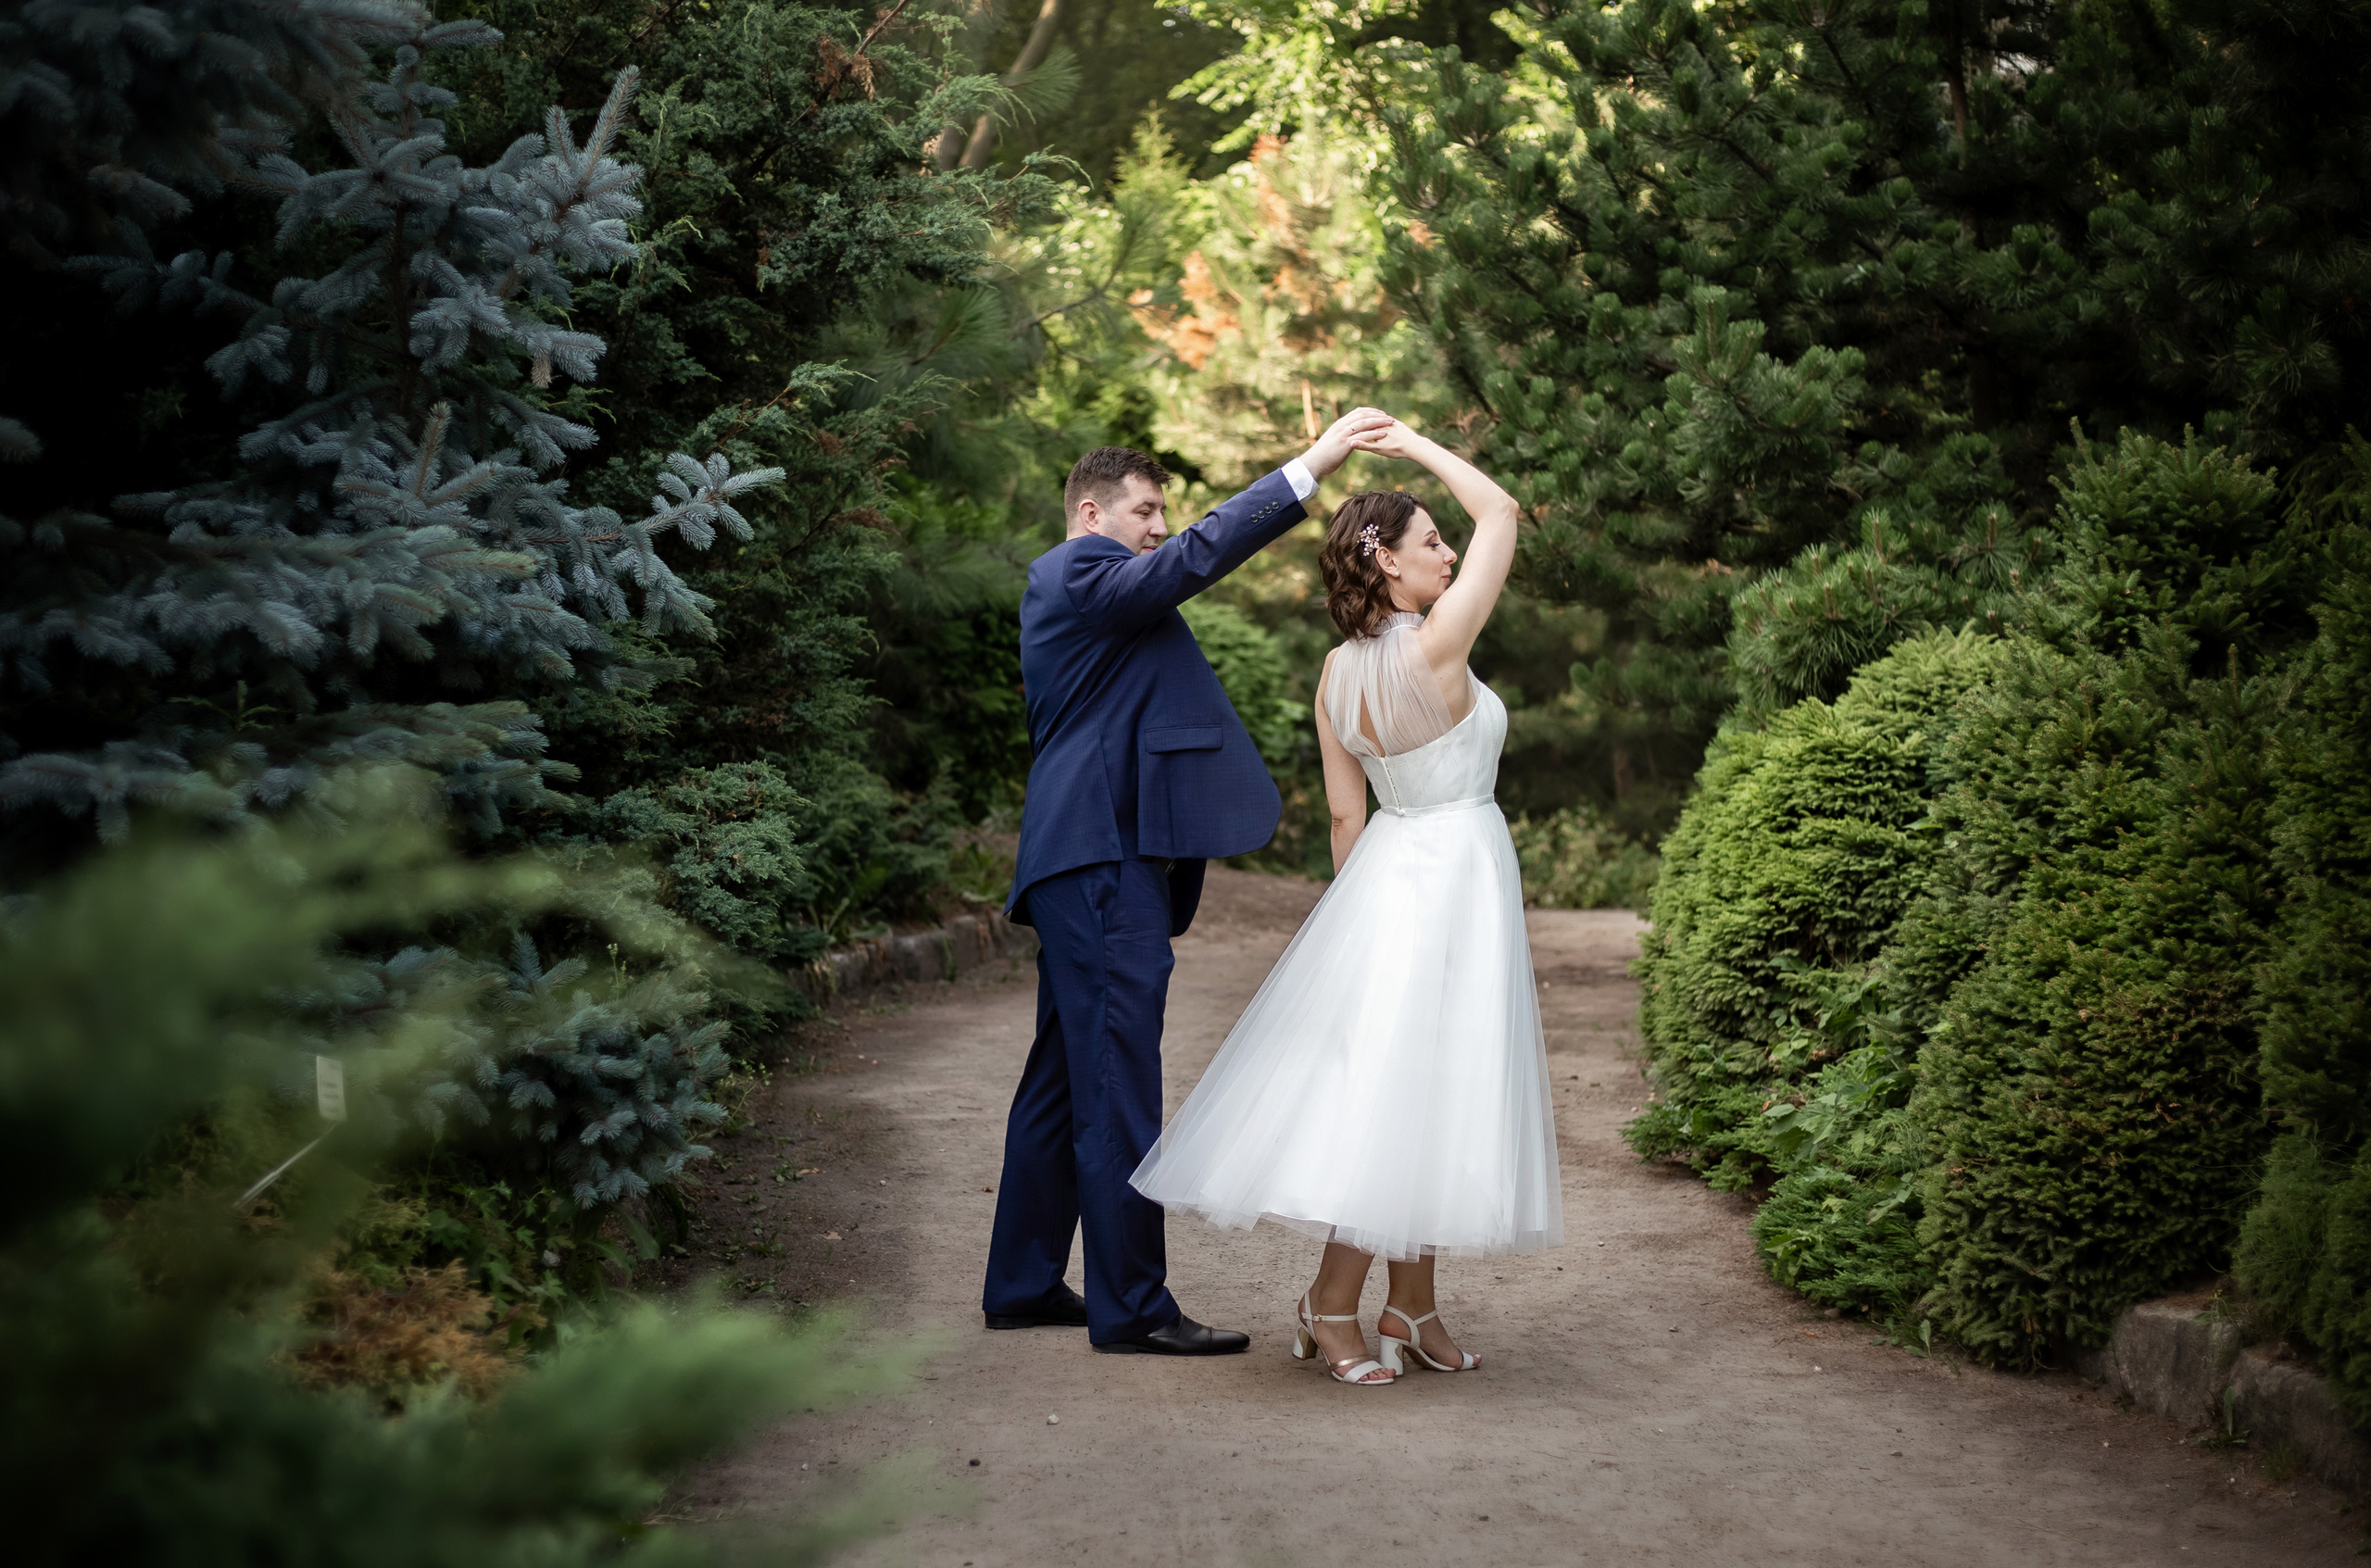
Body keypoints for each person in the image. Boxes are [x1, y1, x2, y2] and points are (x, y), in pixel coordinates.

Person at [1130, 419, 1562, 1385]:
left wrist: (1355, 924)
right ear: (1387, 562)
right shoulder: (1439, 644)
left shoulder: (1336, 671)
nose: (1448, 553)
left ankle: (1412, 1306)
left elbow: (1342, 814)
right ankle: (1330, 1304)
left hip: (1386, 879)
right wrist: (1414, 444)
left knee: (1425, 1088)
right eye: (1431, 542)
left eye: (1446, 542)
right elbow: (1500, 510)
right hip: (1456, 871)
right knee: (1407, 1094)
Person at [984, 408, 1395, 1354]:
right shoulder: (1077, 572)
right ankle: (1133, 1307)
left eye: (1163, 513)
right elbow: (1194, 560)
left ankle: (1022, 1281)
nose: (1160, 528)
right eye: (1145, 512)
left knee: (1064, 1076)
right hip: (1099, 859)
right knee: (1117, 1081)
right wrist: (1310, 467)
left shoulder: (1098, 598)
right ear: (1090, 514)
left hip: (1086, 857)